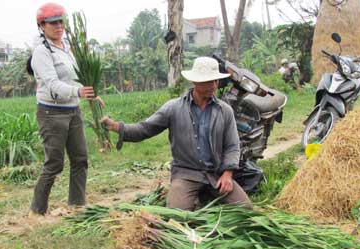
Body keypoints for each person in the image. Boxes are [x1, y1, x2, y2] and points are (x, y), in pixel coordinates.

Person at [102, 57, 252, 211]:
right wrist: (117, 127)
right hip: (186, 174)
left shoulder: (224, 110)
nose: (213, 86)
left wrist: (227, 174)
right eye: (208, 81)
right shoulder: (173, 108)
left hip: (216, 174)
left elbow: (232, 146)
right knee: (176, 215)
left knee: (245, 208)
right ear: (195, 82)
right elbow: (145, 129)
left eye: (215, 81)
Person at [29, 3, 103, 217]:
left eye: (61, 21)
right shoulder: (42, 52)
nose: (58, 26)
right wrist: (77, 92)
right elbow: (52, 84)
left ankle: (77, 204)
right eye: (53, 22)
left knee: (80, 159)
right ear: (42, 25)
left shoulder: (67, 47)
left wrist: (88, 92)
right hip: (52, 113)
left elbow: (74, 78)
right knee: (54, 163)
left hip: (73, 111)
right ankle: (37, 211)